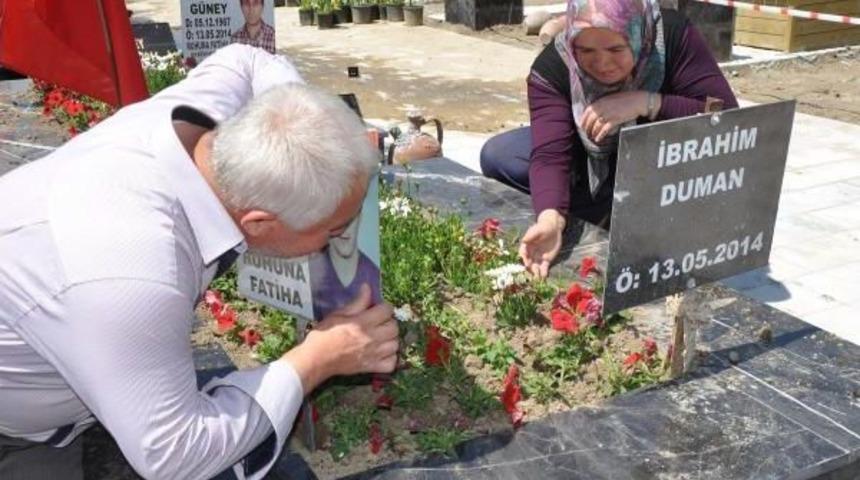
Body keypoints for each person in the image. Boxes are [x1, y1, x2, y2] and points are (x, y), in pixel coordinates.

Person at [0, 44, 398, 480]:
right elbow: (175, 456)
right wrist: (315, 360)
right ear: (260, 222)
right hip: (18, 426)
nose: (344, 237)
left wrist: (302, 121)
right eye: (335, 228)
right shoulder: (132, 268)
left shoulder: (215, 121)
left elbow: (250, 59)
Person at [479, 0, 738, 278]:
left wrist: (648, 103)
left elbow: (727, 118)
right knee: (502, 155)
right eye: (586, 50)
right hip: (592, 154)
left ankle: (620, 208)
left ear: (640, 35)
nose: (602, 64)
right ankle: (605, 206)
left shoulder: (671, 36)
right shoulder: (555, 65)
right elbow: (551, 154)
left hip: (660, 155)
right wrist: (551, 218)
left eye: (616, 49)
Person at [309, 212, 383, 320]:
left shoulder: (375, 278)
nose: (344, 229)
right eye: (336, 219)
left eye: (350, 218)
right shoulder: (311, 269)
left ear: (360, 217)